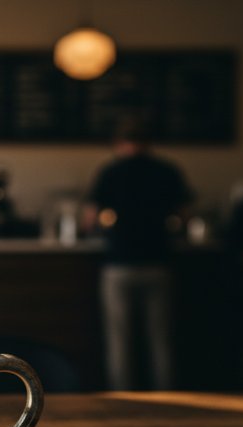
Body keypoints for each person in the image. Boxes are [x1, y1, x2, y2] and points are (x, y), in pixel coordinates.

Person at [82, 121, 192, 390]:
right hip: (158, 262)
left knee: (120, 341)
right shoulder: (166, 171)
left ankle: (123, 397)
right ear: (148, 143)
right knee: (162, 340)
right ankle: (167, 397)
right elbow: (185, 215)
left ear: (119, 144)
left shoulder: (111, 172)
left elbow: (90, 219)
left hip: (119, 264)